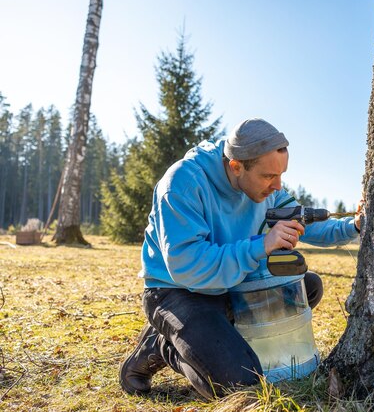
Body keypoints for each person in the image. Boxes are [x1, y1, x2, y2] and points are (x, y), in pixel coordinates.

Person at [119, 118, 361, 399]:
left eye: (281, 175)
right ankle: (163, 345)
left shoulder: (268, 189)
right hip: (177, 291)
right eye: (269, 176)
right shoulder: (182, 184)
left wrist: (353, 226)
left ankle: (204, 336)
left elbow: (304, 220)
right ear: (236, 166)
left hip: (230, 285)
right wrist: (261, 245)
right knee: (239, 385)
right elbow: (188, 266)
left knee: (307, 287)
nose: (277, 186)